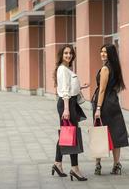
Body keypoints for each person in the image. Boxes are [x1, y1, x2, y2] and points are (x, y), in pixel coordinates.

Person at [52, 44, 89, 181]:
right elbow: (65, 91)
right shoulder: (62, 69)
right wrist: (67, 109)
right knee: (72, 134)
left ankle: (58, 163)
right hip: (66, 104)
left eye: (70, 53)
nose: (69, 55)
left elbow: (69, 87)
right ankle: (74, 168)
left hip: (70, 103)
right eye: (66, 53)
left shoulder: (67, 69)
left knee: (66, 134)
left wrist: (80, 86)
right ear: (61, 55)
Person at [91, 44, 129, 175]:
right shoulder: (115, 67)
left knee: (99, 132)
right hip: (113, 102)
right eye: (101, 51)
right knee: (116, 133)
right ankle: (116, 164)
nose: (102, 54)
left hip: (104, 104)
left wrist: (98, 108)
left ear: (110, 54)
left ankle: (98, 165)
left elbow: (101, 90)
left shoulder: (105, 69)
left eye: (105, 52)